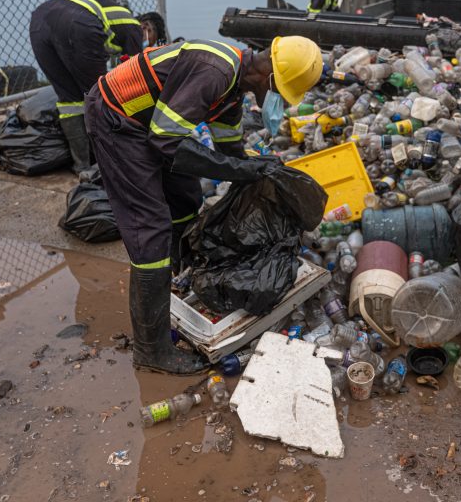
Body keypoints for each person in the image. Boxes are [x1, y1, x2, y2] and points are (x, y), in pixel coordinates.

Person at [84, 36, 323, 374]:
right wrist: (244, 170)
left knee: (186, 197)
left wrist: (261, 170)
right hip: (118, 120)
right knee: (149, 226)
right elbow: (166, 142)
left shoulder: (234, 90)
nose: (279, 101)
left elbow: (229, 150)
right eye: (282, 92)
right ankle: (152, 350)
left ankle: (177, 271)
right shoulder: (214, 71)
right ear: (268, 76)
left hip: (149, 126)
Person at [29, 0, 143, 173]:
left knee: (69, 99)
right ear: (147, 27)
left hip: (39, 21)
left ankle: (82, 166)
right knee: (100, 96)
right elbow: (135, 75)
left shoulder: (116, 16)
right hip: (78, 24)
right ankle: (108, 165)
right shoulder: (136, 28)